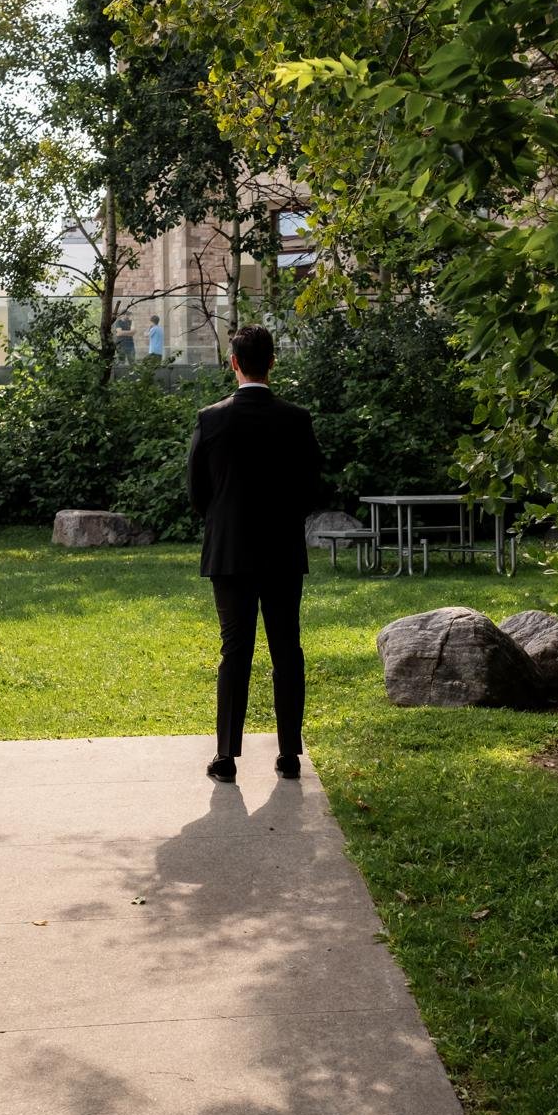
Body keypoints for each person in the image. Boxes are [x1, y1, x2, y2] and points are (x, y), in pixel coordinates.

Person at [186, 326, 330, 788]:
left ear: (233, 363)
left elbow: (197, 490)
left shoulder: (211, 419)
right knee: (287, 649)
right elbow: (311, 487)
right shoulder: (296, 418)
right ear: (272, 362)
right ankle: (289, 754)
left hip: (229, 552)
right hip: (282, 550)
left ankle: (226, 755)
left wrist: (224, 520)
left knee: (235, 652)